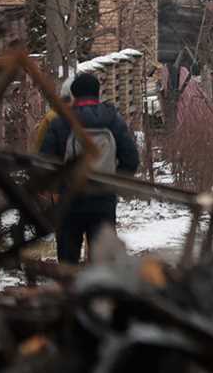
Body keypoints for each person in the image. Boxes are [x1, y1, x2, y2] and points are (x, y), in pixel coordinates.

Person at [39, 72, 140, 264]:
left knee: (68, 262)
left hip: (69, 201)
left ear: (74, 94)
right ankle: (98, 292)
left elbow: (45, 162)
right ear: (98, 92)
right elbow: (131, 159)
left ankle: (69, 291)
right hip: (103, 200)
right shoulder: (113, 120)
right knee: (102, 263)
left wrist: (56, 189)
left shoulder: (61, 122)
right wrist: (113, 182)